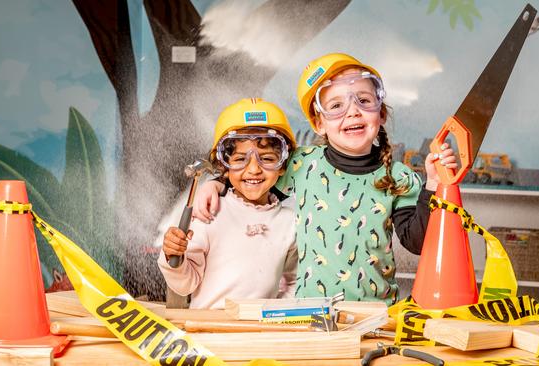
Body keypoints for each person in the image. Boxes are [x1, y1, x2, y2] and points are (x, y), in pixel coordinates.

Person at [192, 54, 457, 305]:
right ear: (319, 124)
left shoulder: (398, 177)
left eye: (364, 101)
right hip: (311, 314)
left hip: (377, 314)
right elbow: (256, 175)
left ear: (381, 113)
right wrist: (217, 183)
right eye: (337, 106)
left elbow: (418, 243)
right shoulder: (303, 164)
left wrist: (434, 185)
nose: (352, 112)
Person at [158, 98, 299, 309]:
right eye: (241, 159)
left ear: (283, 165)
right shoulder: (209, 213)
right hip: (208, 333)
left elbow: (296, 281)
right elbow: (185, 284)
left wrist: (275, 316)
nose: (253, 170)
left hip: (260, 335)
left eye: (267, 159)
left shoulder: (289, 222)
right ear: (224, 165)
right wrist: (172, 255)